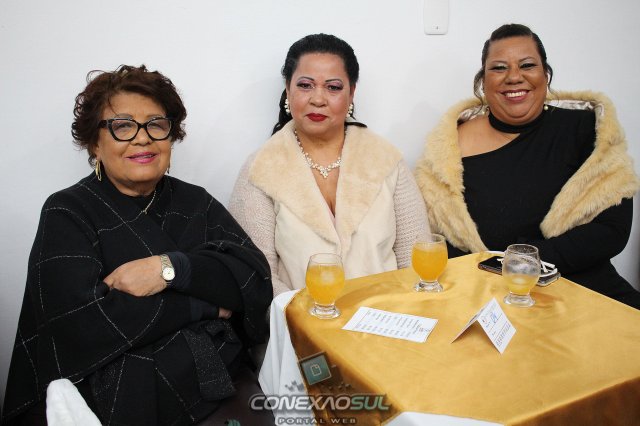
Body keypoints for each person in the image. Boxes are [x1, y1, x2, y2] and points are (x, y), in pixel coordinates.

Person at [2, 65, 273, 425]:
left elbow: (252, 279)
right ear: (95, 143)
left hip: (211, 378)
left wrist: (168, 269)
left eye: (156, 125)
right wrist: (202, 305)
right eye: (123, 126)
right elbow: (81, 323)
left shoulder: (196, 202)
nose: (143, 139)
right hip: (109, 390)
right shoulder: (67, 210)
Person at [414, 24, 640, 309]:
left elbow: (611, 230)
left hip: (587, 293)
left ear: (545, 74)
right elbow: (444, 246)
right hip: (492, 301)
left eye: (527, 65)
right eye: (499, 68)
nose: (513, 77)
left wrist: (517, 262)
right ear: (483, 81)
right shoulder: (447, 150)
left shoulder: (587, 129)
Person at [229, 34, 429, 296]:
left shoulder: (387, 160)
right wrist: (304, 315)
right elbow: (258, 274)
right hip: (301, 317)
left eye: (333, 87)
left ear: (351, 93)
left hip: (389, 313)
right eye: (305, 85)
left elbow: (418, 259)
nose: (318, 99)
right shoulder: (260, 169)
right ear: (288, 89)